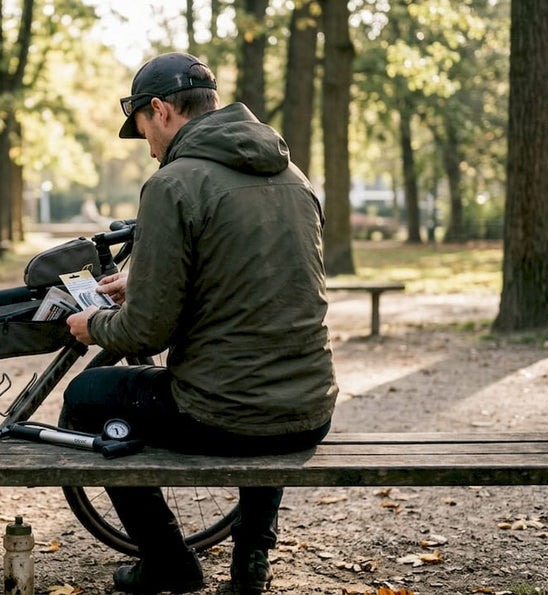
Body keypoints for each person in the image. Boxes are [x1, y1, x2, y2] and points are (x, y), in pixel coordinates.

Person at [62, 52, 339, 594]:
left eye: (143, 129)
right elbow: (247, 287)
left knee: (85, 400)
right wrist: (142, 284)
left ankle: (167, 560)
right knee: (263, 382)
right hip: (311, 407)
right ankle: (252, 555)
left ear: (161, 110)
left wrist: (95, 325)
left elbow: (146, 334)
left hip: (221, 416)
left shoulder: (173, 183)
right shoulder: (294, 175)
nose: (148, 146)